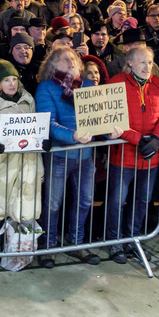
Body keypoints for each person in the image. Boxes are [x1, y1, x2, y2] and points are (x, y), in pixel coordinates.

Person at [104, 45, 159, 263]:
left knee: (142, 200)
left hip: (150, 157)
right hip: (123, 155)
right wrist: (135, 138)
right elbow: (110, 118)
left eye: (150, 62)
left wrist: (157, 139)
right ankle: (114, 241)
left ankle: (133, 239)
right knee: (117, 201)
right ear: (130, 62)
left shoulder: (158, 84)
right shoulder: (116, 83)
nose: (147, 67)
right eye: (142, 62)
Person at [35, 46, 100, 267]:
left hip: (86, 156)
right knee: (53, 204)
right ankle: (48, 245)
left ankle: (76, 242)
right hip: (59, 155)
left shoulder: (89, 85)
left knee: (85, 201)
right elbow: (48, 123)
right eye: (64, 59)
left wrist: (110, 129)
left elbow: (99, 119)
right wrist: (72, 135)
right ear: (54, 65)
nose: (71, 62)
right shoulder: (46, 88)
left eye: (73, 58)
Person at [0, 60, 44, 258]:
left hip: (25, 162)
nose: (12, 84)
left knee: (21, 209)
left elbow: (34, 128)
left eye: (14, 79)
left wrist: (42, 142)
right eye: (6, 80)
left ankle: (15, 252)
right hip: (0, 164)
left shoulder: (28, 100)